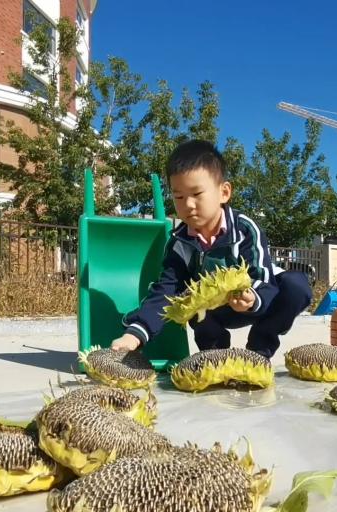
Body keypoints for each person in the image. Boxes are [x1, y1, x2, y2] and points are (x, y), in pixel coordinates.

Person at [110, 139, 312, 359]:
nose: (188, 204)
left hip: (258, 299)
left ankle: (259, 351)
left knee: (297, 286)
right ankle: (215, 356)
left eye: (197, 194)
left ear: (224, 192)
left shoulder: (245, 229)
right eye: (179, 197)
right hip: (214, 311)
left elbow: (262, 276)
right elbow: (166, 291)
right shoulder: (179, 243)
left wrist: (252, 297)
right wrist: (135, 334)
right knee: (191, 299)